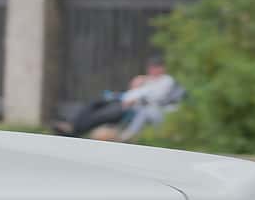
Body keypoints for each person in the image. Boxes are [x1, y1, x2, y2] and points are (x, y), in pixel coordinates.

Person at [55, 56, 183, 140]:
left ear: (161, 68)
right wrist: (137, 84)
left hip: (134, 107)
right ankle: (72, 124)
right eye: (150, 68)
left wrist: (136, 98)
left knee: (102, 115)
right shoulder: (146, 79)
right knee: (94, 104)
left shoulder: (166, 81)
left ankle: (75, 131)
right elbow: (133, 90)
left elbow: (157, 97)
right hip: (123, 99)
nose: (151, 70)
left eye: (154, 68)